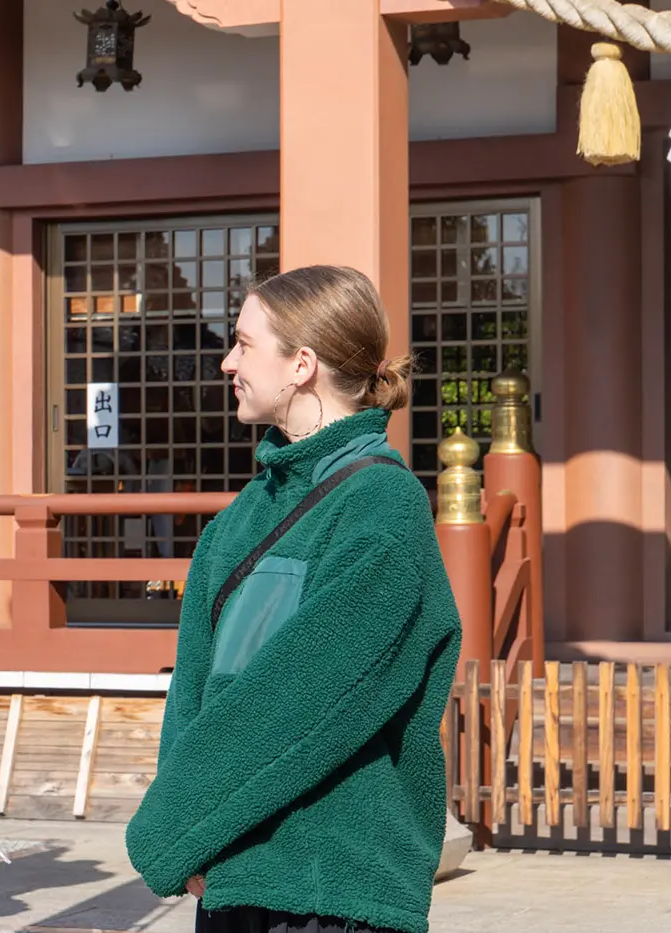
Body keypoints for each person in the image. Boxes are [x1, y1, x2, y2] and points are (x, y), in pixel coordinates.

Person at [125, 265, 462, 933]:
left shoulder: (383, 507)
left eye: (245, 344)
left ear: (301, 363)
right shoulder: (240, 518)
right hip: (229, 877)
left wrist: (172, 827)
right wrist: (188, 837)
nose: (226, 362)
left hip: (332, 887)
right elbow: (191, 692)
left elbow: (303, 697)